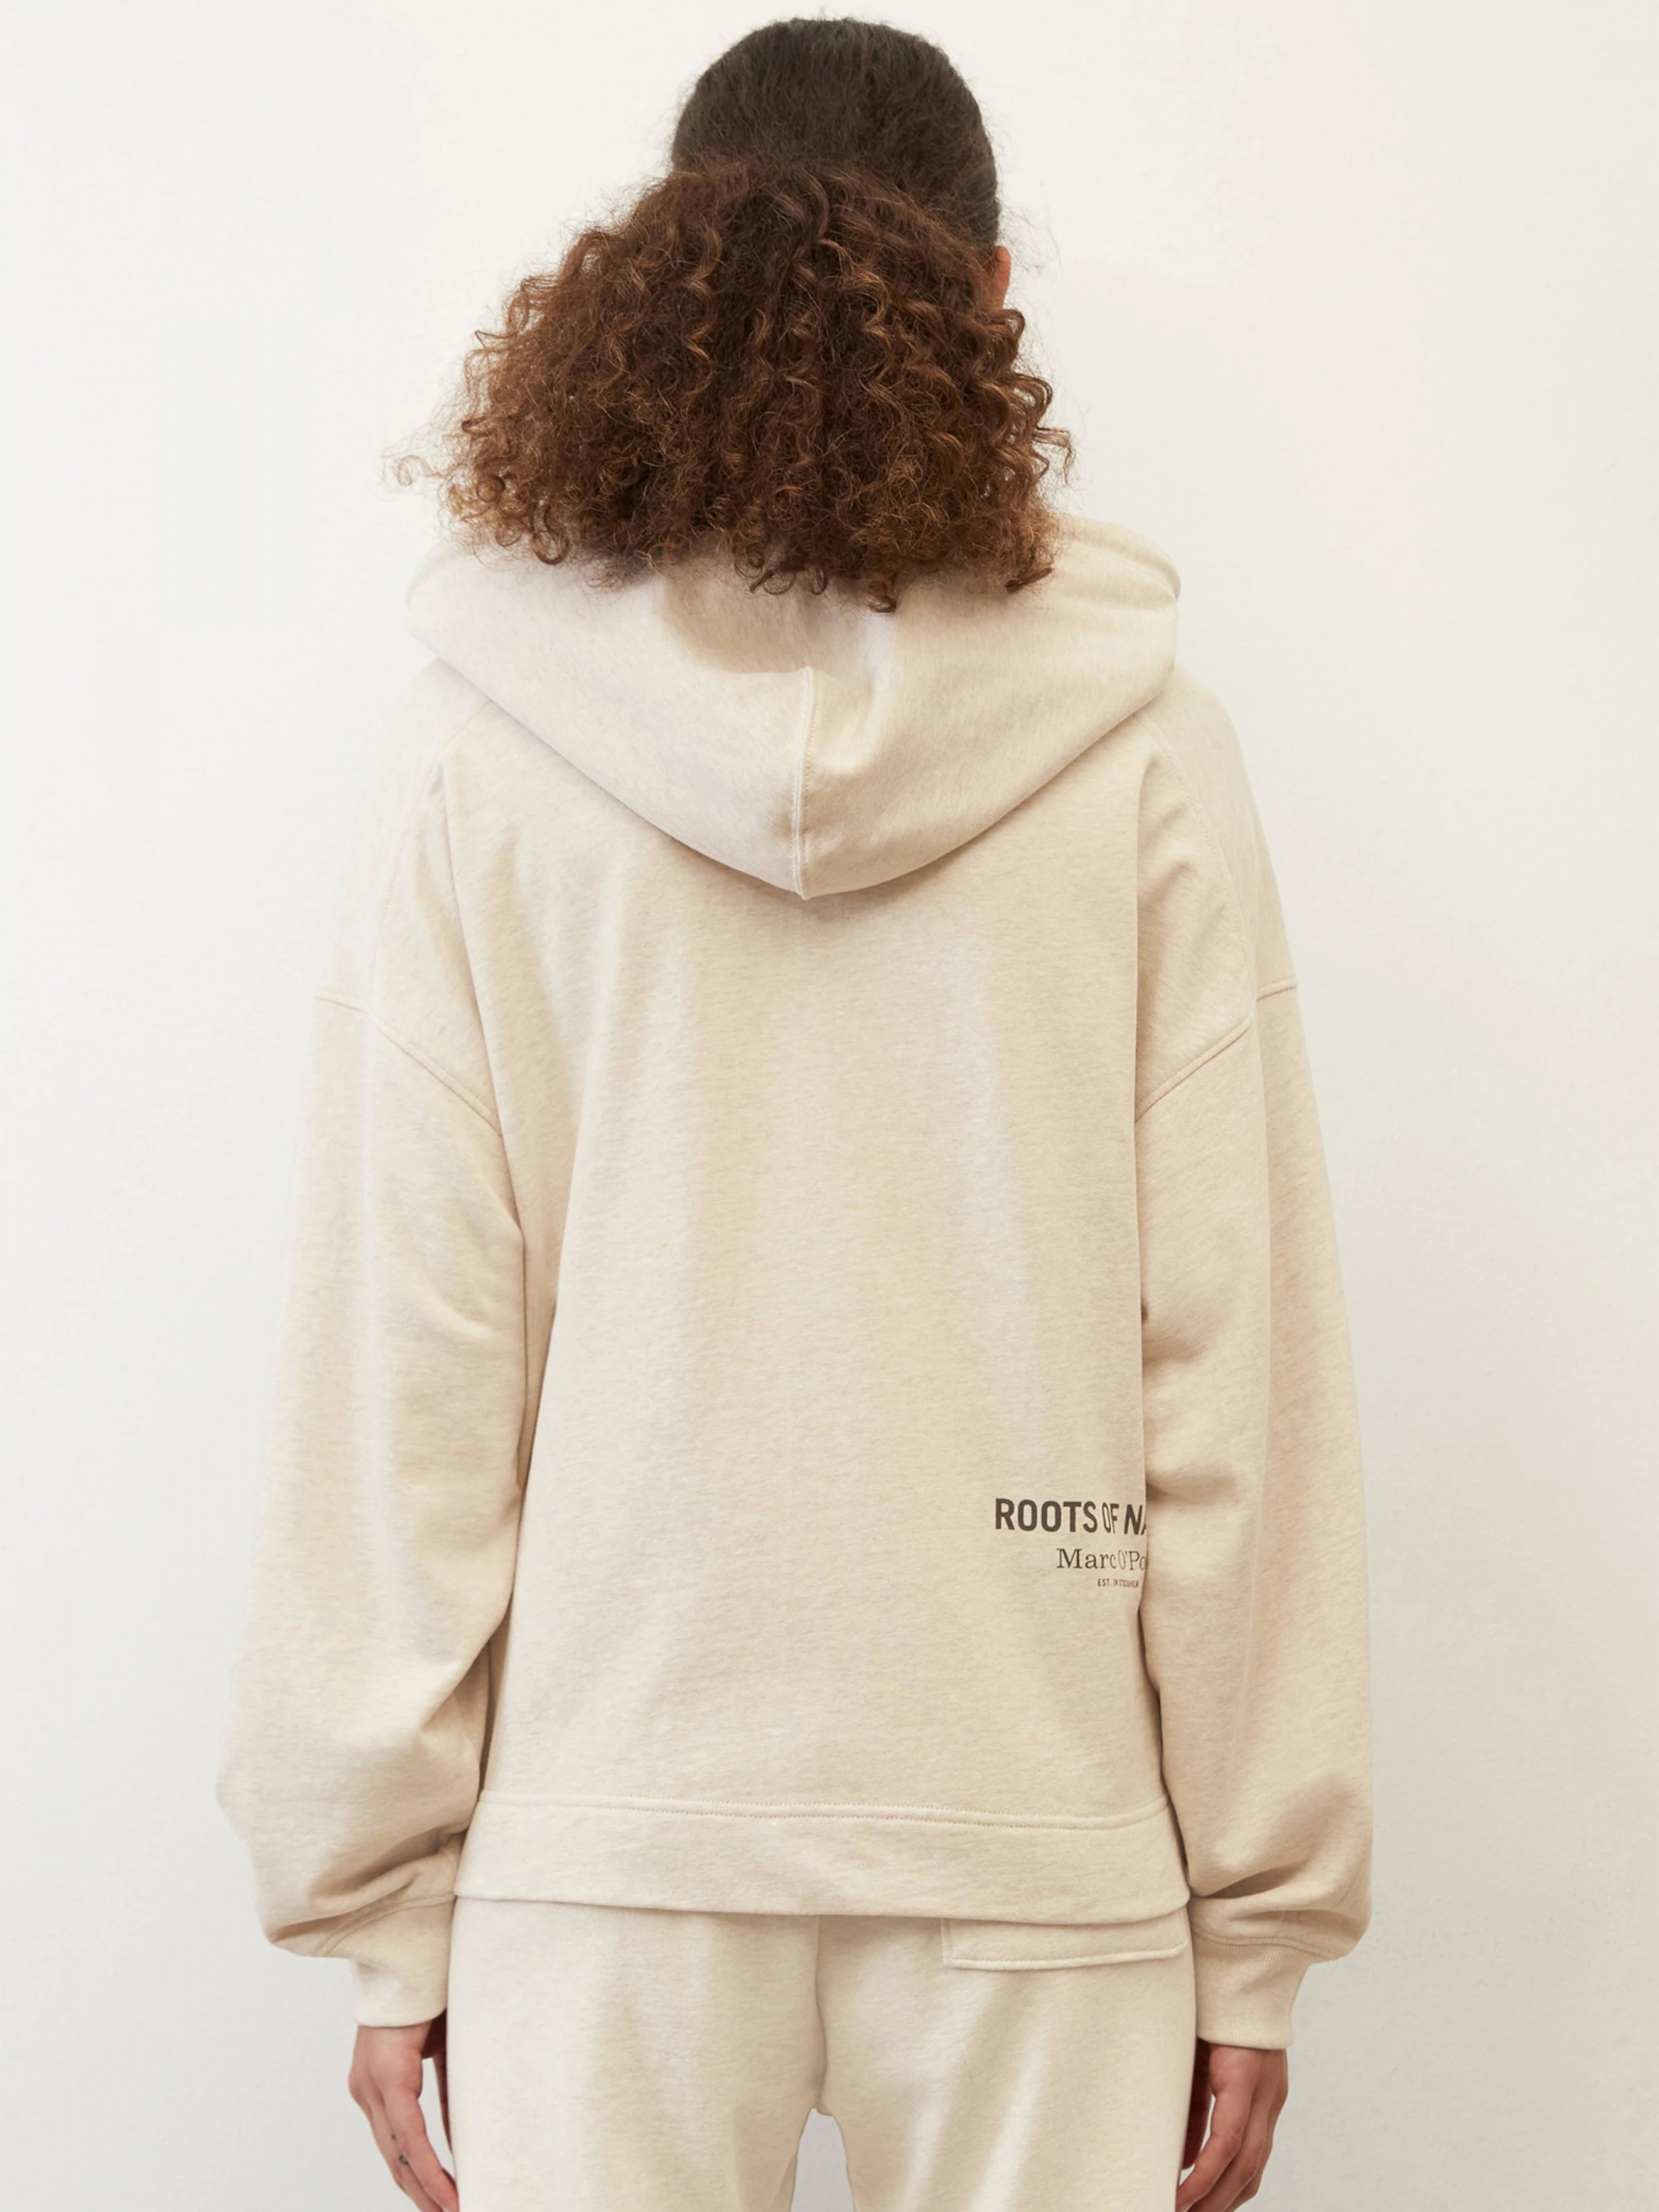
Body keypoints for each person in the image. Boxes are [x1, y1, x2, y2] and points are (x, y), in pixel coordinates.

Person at [218, 18, 1372, 2211]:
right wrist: (1256, 1917)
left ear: (659, 277)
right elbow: (1233, 1360)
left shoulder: (479, 753)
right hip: (1043, 1834)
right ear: (991, 300)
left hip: (607, 1846)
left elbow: (412, 1351)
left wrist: (386, 1894)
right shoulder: (1146, 750)